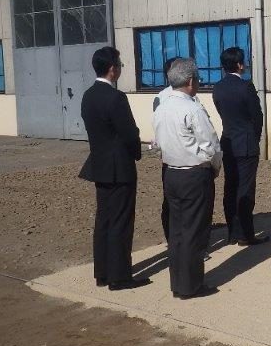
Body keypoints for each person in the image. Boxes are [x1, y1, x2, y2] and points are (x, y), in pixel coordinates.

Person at [78, 46, 150, 291]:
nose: (120, 69)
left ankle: (103, 272)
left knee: (104, 220)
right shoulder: (116, 98)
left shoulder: (88, 95)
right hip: (119, 167)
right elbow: (129, 133)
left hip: (99, 164)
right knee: (121, 222)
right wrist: (137, 152)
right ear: (112, 69)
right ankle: (119, 276)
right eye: (119, 65)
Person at [153, 58, 222, 299]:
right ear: (191, 81)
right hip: (194, 173)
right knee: (194, 231)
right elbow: (211, 144)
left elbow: (158, 143)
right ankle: (191, 285)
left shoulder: (161, 107)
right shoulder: (193, 109)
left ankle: (178, 282)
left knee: (177, 231)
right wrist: (215, 167)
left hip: (171, 172)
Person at [211, 47, 269, 245]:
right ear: (239, 64)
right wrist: (255, 137)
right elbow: (257, 116)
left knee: (230, 187)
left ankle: (233, 232)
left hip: (227, 141)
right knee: (245, 189)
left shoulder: (218, 87)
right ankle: (246, 234)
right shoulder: (246, 87)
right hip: (246, 143)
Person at [153, 57, 178, 242]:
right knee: (170, 199)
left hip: (188, 158)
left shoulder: (191, 94)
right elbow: (158, 127)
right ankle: (172, 239)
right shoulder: (161, 97)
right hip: (170, 157)